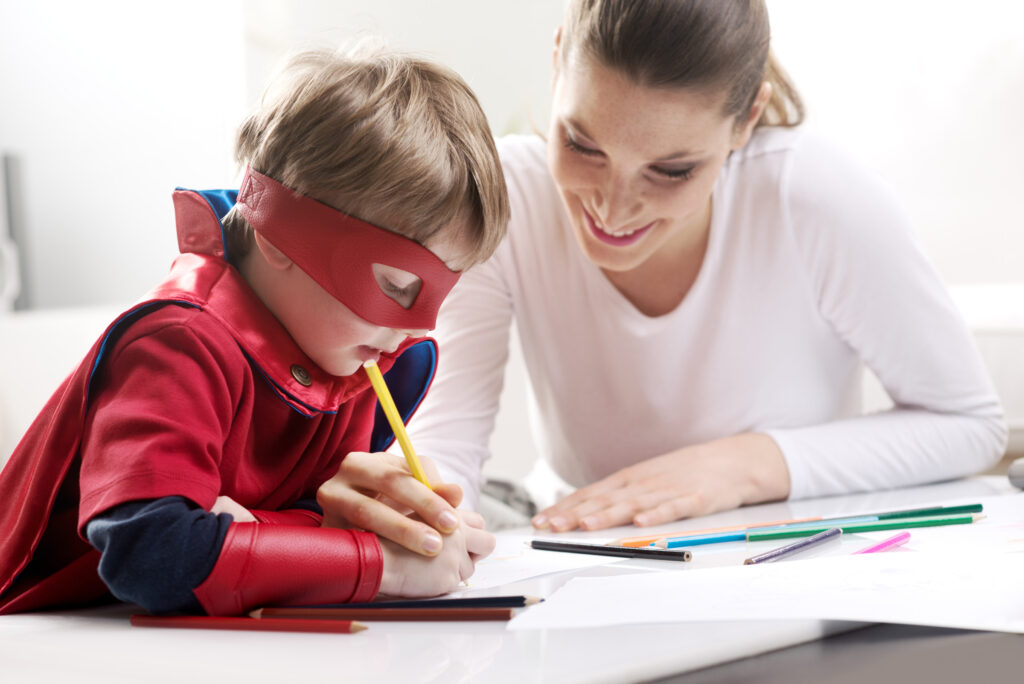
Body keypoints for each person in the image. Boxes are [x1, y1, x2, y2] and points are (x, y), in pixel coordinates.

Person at [321, 0, 1007, 538]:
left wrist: (741, 466)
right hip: (578, 550)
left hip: (782, 552)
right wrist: (425, 511)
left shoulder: (812, 195)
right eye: (582, 144)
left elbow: (970, 423)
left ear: (745, 123)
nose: (613, 209)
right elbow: (448, 442)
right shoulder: (507, 196)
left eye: (672, 170)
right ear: (558, 62)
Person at [0, 46, 508, 616]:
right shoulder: (177, 345)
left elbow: (279, 528)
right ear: (278, 232)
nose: (417, 327)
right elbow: (149, 554)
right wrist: (380, 565)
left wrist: (355, 524)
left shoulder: (356, 355)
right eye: (395, 284)